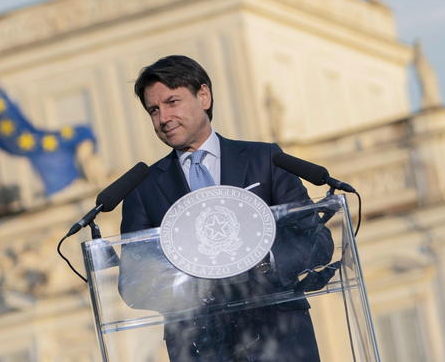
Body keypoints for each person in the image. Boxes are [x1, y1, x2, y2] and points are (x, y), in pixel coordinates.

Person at [119, 55, 333, 362]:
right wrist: (193, 286)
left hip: (280, 335)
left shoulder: (266, 161)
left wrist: (263, 262)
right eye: (154, 110)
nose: (163, 117)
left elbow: (317, 242)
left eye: (172, 102)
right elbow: (134, 283)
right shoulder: (143, 189)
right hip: (201, 344)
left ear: (203, 96)